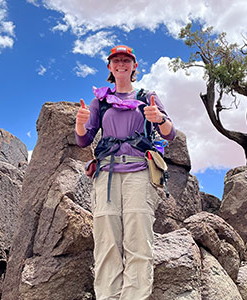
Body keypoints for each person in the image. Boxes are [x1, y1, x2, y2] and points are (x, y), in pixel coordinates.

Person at [75, 45, 176, 300]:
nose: (121, 64)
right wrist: (79, 124)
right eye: (116, 60)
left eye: (126, 60)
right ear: (109, 67)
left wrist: (159, 119)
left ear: (134, 67)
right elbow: (84, 140)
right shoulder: (101, 101)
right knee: (107, 244)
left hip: (139, 174)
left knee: (139, 243)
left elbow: (170, 134)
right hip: (106, 174)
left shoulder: (146, 96)